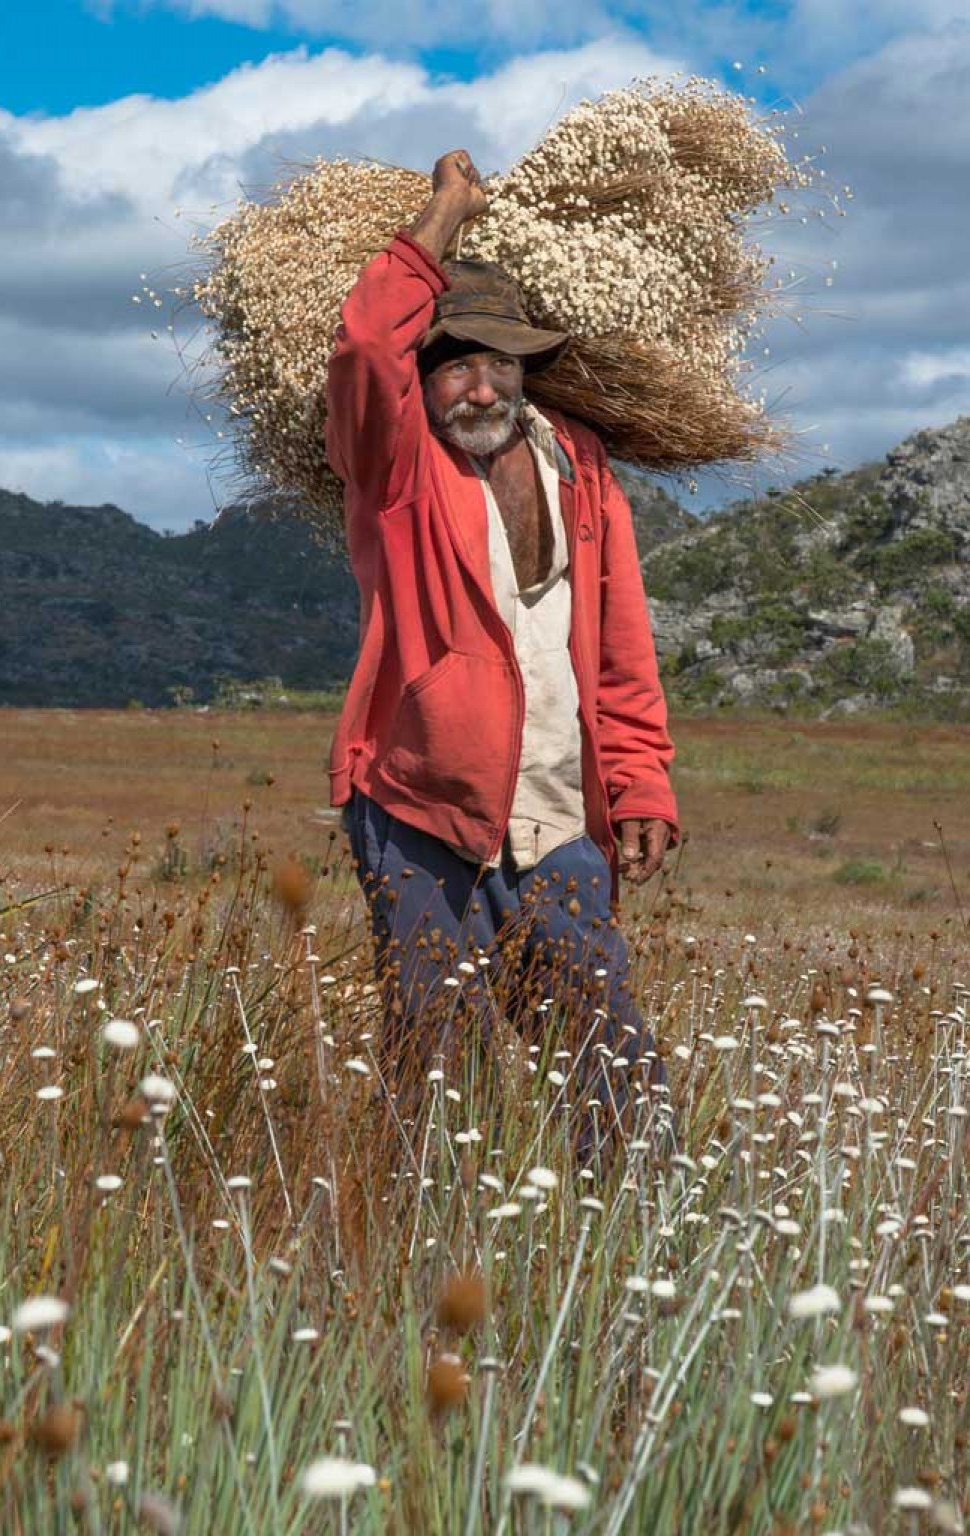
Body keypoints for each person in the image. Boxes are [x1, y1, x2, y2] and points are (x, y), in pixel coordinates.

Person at [325, 149, 678, 1152]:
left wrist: (643, 781)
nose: (480, 388)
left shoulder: (577, 464)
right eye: (455, 364)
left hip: (560, 808)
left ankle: (630, 1251)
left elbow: (617, 644)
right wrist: (439, 222)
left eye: (502, 362)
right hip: (419, 805)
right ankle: (431, 1253)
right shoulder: (391, 466)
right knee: (438, 1050)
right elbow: (360, 352)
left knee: (607, 1049)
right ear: (424, 375)